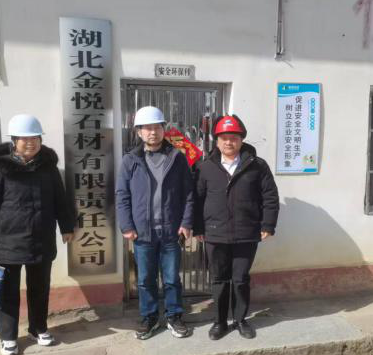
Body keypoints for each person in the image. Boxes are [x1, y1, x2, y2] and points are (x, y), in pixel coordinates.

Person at [0, 114, 76, 355]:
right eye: (25, 139)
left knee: (39, 288)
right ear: (14, 141)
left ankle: (38, 328)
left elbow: (60, 199)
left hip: (42, 239)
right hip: (7, 241)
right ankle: (8, 336)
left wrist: (66, 226)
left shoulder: (48, 168)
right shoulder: (0, 169)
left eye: (35, 138)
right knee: (7, 292)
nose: (31, 143)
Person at [194, 115, 279, 340]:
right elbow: (197, 199)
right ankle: (220, 322)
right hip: (215, 232)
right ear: (217, 141)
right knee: (219, 280)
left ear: (241, 140)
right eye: (224, 138)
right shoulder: (205, 167)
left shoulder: (257, 166)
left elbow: (270, 197)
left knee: (240, 279)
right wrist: (198, 227)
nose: (229, 142)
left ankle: (240, 320)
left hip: (246, 233)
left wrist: (268, 224)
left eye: (234, 138)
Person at [115, 106, 194, 340]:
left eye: (157, 127)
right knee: (145, 280)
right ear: (139, 132)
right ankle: (149, 317)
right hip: (142, 232)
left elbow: (189, 194)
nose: (153, 132)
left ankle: (174, 316)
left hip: (170, 230)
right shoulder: (130, 160)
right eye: (147, 128)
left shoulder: (177, 158)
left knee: (171, 279)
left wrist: (186, 222)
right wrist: (126, 225)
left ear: (163, 129)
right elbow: (122, 194)